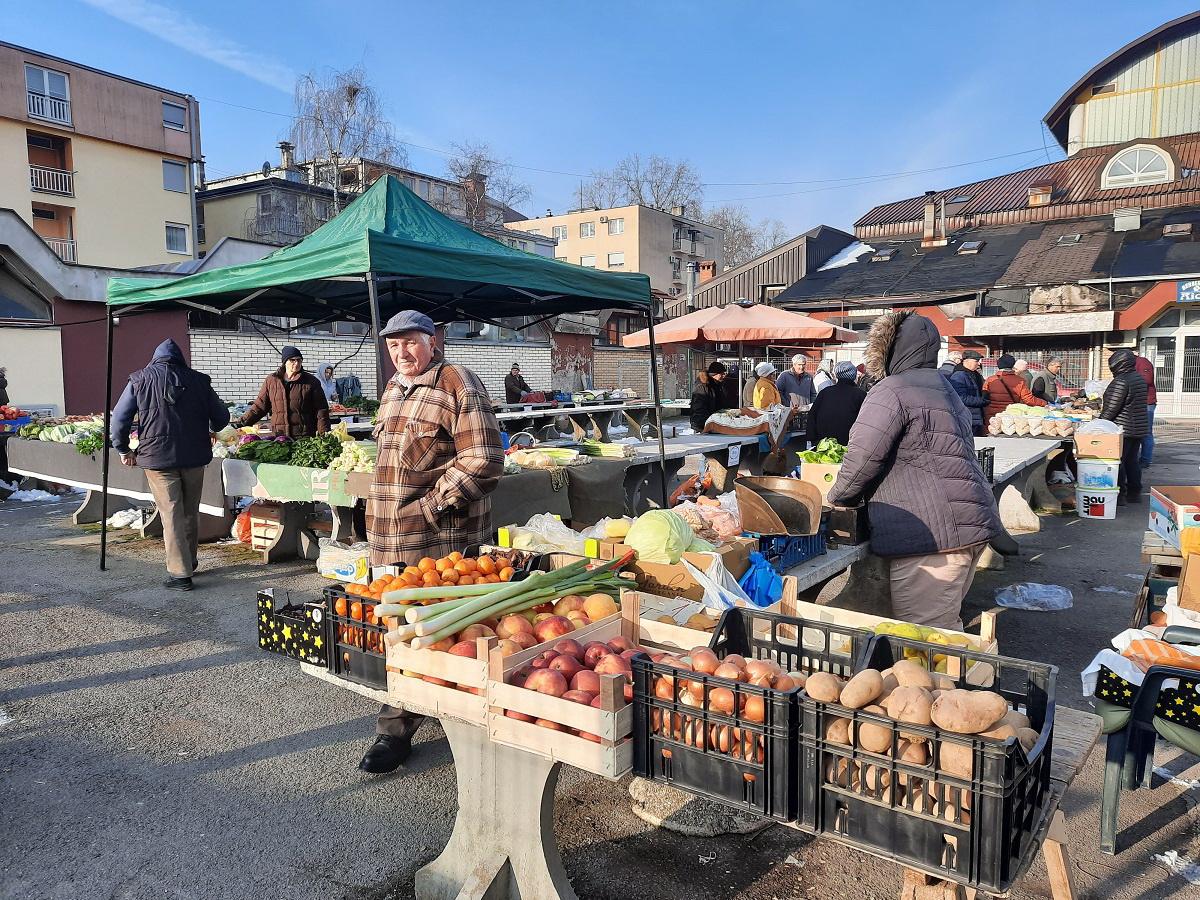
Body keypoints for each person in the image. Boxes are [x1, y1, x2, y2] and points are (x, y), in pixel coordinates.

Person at [361, 310, 504, 773]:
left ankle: (415, 730)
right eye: (393, 345)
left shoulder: (456, 382)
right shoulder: (392, 390)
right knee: (402, 634)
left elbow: (485, 459)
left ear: (433, 342)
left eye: (410, 343)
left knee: (439, 636)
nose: (402, 353)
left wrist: (430, 507)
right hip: (390, 539)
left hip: (439, 540)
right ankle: (400, 725)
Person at [827, 312, 1003, 629]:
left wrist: (837, 498)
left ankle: (966, 678)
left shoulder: (891, 390)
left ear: (887, 350)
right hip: (971, 524)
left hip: (933, 538)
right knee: (945, 631)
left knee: (926, 640)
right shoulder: (944, 387)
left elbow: (863, 457)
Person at [110, 340, 230, 591]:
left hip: (157, 458)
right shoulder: (199, 380)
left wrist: (123, 448)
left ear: (156, 358)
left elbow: (119, 418)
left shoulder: (139, 379)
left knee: (171, 513)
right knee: (189, 511)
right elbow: (221, 419)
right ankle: (190, 561)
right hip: (194, 457)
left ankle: (180, 573)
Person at [235, 346, 330, 437]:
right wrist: (241, 423)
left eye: (299, 360)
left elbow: (321, 410)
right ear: (285, 362)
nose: (296, 363)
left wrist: (324, 434)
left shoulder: (311, 382)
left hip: (304, 436)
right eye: (292, 360)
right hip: (279, 436)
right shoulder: (271, 381)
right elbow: (260, 406)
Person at [1100, 349, 1149, 505]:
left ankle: (1120, 495)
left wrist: (1099, 423)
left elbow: (1112, 407)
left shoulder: (1122, 381)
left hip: (1123, 428)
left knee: (1117, 462)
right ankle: (1134, 493)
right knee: (1131, 461)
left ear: (1118, 365)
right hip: (1137, 428)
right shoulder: (1138, 378)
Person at [806, 361, 867, 447]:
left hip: (824, 445)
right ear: (853, 375)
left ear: (837, 374)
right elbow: (866, 421)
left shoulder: (825, 393)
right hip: (849, 445)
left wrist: (813, 440)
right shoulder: (861, 395)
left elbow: (812, 415)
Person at [983, 354, 1047, 421]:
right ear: (1013, 365)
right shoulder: (1020, 381)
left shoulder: (990, 380)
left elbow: (984, 397)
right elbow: (1028, 399)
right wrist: (1044, 403)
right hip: (1011, 414)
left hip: (992, 416)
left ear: (999, 365)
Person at [948, 350, 988, 436]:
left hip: (975, 417)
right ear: (967, 360)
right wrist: (982, 401)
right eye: (976, 361)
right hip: (967, 418)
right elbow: (961, 398)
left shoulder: (974, 374)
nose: (978, 364)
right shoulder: (959, 376)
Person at [690, 361, 727, 432]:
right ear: (714, 374)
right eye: (721, 374)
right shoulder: (703, 386)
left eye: (724, 374)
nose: (724, 376)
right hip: (703, 425)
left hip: (714, 422)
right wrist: (708, 423)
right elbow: (699, 408)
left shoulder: (717, 385)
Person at [1135, 353, 1156, 467]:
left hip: (1146, 402)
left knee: (1146, 432)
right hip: (1137, 402)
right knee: (1139, 432)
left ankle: (1145, 460)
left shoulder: (1142, 362)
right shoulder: (1132, 364)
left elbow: (1146, 380)